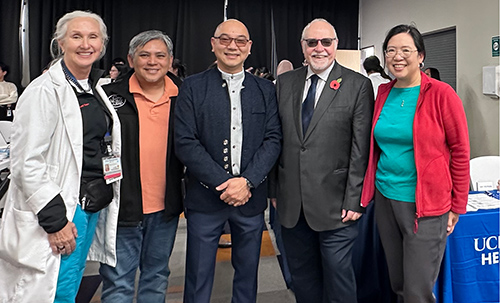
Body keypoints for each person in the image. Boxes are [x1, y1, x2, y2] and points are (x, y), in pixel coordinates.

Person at [0, 10, 121, 303]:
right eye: (76, 36)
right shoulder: (43, 91)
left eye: (93, 37)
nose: (85, 44)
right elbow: (26, 163)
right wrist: (55, 222)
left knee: (69, 285)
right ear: (60, 42)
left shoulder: (92, 87)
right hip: (60, 210)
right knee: (56, 290)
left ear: (102, 45)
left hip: (88, 203)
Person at [360, 24, 470, 303]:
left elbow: (460, 151)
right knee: (397, 281)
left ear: (420, 56)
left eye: (406, 50)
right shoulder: (384, 92)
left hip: (426, 206)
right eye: (391, 50)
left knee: (417, 291)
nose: (398, 56)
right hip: (386, 200)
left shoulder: (441, 94)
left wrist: (457, 205)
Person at [175, 19, 282, 303]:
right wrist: (224, 183)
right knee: (198, 276)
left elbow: (273, 140)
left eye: (240, 41)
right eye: (225, 39)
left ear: (249, 48)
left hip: (250, 199)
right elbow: (185, 142)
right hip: (205, 199)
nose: (232, 46)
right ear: (213, 44)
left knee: (248, 275)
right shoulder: (192, 87)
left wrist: (246, 182)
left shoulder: (266, 90)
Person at [269, 18, 374, 303]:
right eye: (312, 42)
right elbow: (275, 140)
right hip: (291, 205)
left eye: (325, 42)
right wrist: (275, 190)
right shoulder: (284, 84)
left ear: (336, 45)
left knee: (339, 281)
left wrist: (355, 199)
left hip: (337, 206)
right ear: (302, 47)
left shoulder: (357, 86)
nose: (319, 48)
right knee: (303, 281)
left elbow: (360, 148)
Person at [98, 30, 184, 303]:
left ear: (170, 61)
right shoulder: (107, 96)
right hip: (122, 208)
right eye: (144, 55)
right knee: (118, 283)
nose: (152, 61)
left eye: (160, 55)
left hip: (165, 208)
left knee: (156, 276)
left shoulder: (184, 96)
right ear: (131, 60)